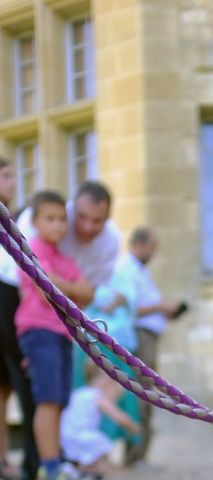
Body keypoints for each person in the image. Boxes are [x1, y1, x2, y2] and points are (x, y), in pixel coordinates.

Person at [15, 191, 94, 480]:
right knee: (47, 399)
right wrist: (66, 288)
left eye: (62, 219)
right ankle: (48, 466)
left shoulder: (62, 258)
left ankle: (56, 461)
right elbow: (47, 293)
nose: (59, 225)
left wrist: (62, 285)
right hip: (39, 331)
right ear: (35, 222)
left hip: (62, 334)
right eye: (50, 219)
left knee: (60, 400)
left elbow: (88, 292)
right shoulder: (31, 251)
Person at [121, 227, 183, 466]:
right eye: (152, 248)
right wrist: (160, 307)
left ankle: (140, 453)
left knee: (146, 394)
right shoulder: (127, 269)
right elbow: (132, 308)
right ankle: (135, 455)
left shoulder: (139, 271)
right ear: (139, 244)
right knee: (140, 395)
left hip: (149, 337)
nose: (153, 254)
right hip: (139, 337)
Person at [61, 360, 140, 478]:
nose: (113, 400)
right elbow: (120, 417)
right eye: (115, 396)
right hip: (80, 435)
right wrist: (134, 428)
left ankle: (76, 471)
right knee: (103, 454)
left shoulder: (79, 393)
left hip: (65, 436)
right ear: (107, 381)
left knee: (94, 455)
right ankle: (90, 473)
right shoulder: (97, 396)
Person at [0, 158, 22, 479]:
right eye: (5, 176)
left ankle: (3, 458)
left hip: (9, 309)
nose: (13, 181)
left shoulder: (15, 223)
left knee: (3, 391)